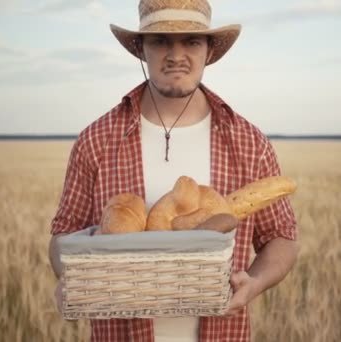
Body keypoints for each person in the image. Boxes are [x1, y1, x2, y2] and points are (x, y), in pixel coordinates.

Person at [48, 0, 299, 341]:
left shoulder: (248, 142)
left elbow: (281, 237)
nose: (175, 54)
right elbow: (65, 234)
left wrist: (253, 284)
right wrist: (72, 278)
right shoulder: (96, 140)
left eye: (191, 41)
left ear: (209, 50)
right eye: (161, 40)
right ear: (141, 48)